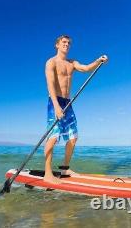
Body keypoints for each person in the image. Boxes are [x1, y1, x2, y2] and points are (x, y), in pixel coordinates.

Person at [44, 35, 108, 184]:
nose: (66, 44)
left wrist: (99, 61)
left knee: (73, 137)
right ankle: (48, 173)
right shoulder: (51, 62)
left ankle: (65, 168)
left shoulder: (72, 63)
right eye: (63, 42)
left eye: (68, 43)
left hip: (68, 102)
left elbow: (85, 68)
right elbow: (51, 85)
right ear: (57, 45)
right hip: (56, 102)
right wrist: (56, 106)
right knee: (53, 137)